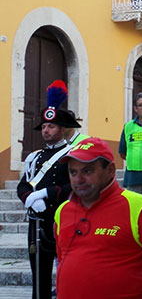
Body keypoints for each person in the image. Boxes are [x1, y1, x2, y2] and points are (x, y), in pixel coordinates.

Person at [54, 137, 142, 298]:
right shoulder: (62, 211)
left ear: (110, 170)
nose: (79, 179)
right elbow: (62, 257)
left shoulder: (139, 206)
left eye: (88, 171)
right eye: (73, 172)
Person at [17, 80, 81, 299]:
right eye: (44, 126)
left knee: (68, 268)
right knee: (38, 270)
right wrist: (29, 198)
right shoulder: (34, 157)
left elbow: (74, 185)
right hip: (37, 221)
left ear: (63, 129)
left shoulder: (73, 154)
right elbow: (23, 184)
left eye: (51, 126)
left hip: (64, 218)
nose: (46, 130)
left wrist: (45, 194)